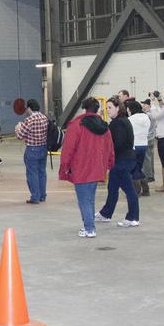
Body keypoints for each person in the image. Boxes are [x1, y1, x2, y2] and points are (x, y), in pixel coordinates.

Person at [58, 97, 115, 238]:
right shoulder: (105, 127)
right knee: (89, 199)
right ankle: (88, 225)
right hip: (97, 168)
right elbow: (110, 148)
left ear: (83, 109)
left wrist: (64, 166)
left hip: (81, 168)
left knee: (84, 200)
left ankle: (89, 228)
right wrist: (109, 164)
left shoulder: (76, 125)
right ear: (97, 110)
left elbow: (68, 149)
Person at [97, 98, 140, 227]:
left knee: (129, 190)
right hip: (121, 160)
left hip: (122, 161)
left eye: (110, 107)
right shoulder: (120, 121)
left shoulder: (119, 123)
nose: (108, 110)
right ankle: (106, 214)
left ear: (117, 108)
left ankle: (133, 217)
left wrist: (106, 152)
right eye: (107, 108)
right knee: (112, 188)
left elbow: (117, 143)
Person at [14, 98, 49, 204]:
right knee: (42, 172)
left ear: (29, 108)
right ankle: (42, 195)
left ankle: (35, 197)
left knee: (32, 173)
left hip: (32, 149)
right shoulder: (44, 118)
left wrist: (17, 128)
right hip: (43, 148)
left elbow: (20, 136)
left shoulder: (28, 120)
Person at [128, 97, 152, 196]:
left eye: (128, 109)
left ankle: (136, 190)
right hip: (144, 145)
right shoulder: (146, 117)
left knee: (134, 168)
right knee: (139, 167)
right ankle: (145, 189)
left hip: (134, 146)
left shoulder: (130, 119)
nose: (128, 111)